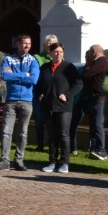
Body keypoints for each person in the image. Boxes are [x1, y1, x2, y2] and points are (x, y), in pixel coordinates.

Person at [0, 34, 40, 171]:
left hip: (26, 101)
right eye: (24, 43)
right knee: (6, 131)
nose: (27, 46)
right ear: (18, 44)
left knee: (23, 132)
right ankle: (4, 160)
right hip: (11, 100)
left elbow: (34, 80)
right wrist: (24, 75)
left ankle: (19, 160)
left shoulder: (33, 61)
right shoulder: (8, 59)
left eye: (29, 43)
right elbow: (5, 75)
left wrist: (15, 75)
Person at [36, 43, 81, 174]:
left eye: (61, 52)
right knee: (52, 134)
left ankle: (65, 163)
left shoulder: (69, 67)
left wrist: (67, 95)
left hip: (63, 107)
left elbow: (78, 84)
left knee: (63, 134)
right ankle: (52, 162)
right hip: (48, 106)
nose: (58, 54)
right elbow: (38, 85)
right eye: (55, 52)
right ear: (50, 53)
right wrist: (39, 94)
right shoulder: (45, 68)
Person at [81, 45, 108, 160]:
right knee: (93, 124)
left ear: (93, 52)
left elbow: (86, 74)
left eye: (89, 53)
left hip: (99, 98)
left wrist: (88, 65)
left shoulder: (100, 62)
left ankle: (101, 150)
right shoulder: (101, 62)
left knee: (97, 124)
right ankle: (94, 149)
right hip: (94, 97)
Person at [31, 35, 58, 152]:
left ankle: (53, 145)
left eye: (53, 43)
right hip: (40, 93)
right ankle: (40, 145)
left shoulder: (58, 56)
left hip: (54, 93)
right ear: (44, 44)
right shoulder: (37, 57)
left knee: (53, 121)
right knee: (39, 120)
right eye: (48, 42)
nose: (50, 45)